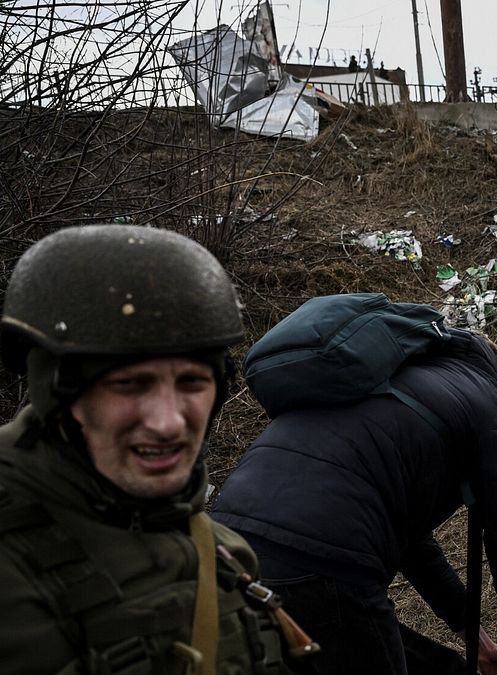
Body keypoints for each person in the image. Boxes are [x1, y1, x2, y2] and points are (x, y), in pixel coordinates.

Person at [0, 224, 307, 674]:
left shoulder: (220, 550)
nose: (168, 422)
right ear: (59, 395)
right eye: (129, 384)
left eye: (192, 383)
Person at [210, 329, 497, 675]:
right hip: (322, 561)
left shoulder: (390, 383)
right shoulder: (489, 404)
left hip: (227, 545)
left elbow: (410, 542)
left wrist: (476, 641)